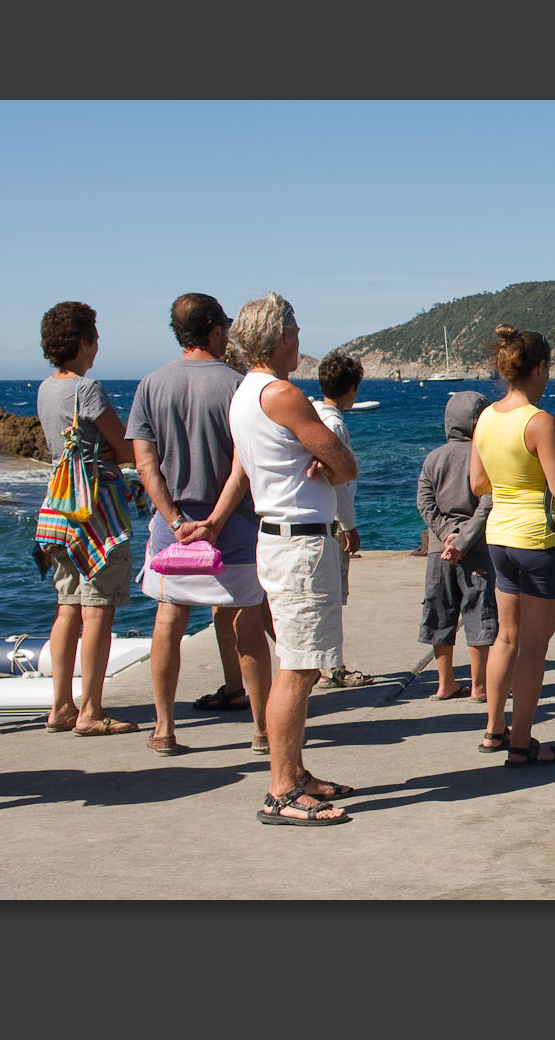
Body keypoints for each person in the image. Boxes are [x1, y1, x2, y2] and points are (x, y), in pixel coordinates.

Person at [224, 292, 359, 825]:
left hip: (280, 538)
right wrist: (329, 467)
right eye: (296, 330)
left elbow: (245, 467)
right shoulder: (282, 394)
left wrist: (214, 520)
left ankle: (295, 773)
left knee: (302, 665)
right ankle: (281, 789)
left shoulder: (245, 393)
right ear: (281, 337)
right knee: (300, 669)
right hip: (301, 543)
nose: (300, 340)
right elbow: (344, 463)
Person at [127, 293, 272, 757]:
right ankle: (262, 730)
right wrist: (214, 521)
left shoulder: (151, 384)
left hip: (174, 528)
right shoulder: (238, 386)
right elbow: (242, 465)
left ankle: (166, 728)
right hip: (232, 526)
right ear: (214, 332)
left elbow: (145, 464)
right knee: (248, 625)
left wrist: (175, 519)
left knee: (168, 621)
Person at [469, 324, 555, 767]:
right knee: (535, 646)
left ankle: (494, 731)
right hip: (539, 540)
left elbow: (478, 484)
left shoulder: (486, 417)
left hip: (499, 537)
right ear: (538, 368)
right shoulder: (539, 422)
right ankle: (521, 744)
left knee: (506, 638)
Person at [34, 301, 139, 738]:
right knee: (98, 613)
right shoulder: (87, 389)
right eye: (94, 337)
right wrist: (117, 452)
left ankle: (61, 705)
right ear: (83, 341)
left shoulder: (43, 389)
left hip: (57, 508)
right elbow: (127, 447)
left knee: (67, 609)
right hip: (96, 514)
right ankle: (91, 711)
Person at [416, 390, 497, 702]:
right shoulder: (483, 457)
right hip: (475, 546)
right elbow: (487, 504)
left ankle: (445, 682)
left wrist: (446, 532)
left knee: (440, 611)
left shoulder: (433, 458)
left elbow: (424, 501)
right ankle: (478, 686)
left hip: (439, 548)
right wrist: (463, 539)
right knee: (478, 610)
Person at [313, 352, 372, 689]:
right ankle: (332, 666)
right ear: (351, 389)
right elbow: (338, 482)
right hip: (332, 523)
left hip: (322, 519)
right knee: (333, 596)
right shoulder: (334, 424)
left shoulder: (315, 415)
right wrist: (348, 525)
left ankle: (324, 663)